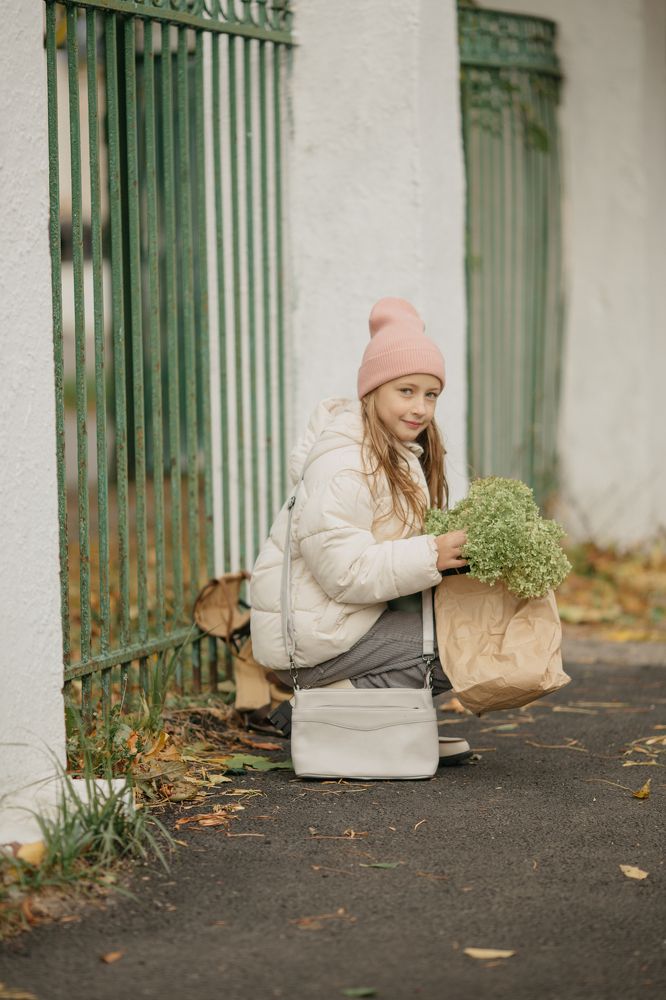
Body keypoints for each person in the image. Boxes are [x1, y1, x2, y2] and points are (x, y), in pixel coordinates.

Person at [250, 297, 471, 764]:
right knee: (463, 641)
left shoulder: (393, 453)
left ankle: (378, 725)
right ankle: (326, 711)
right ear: (372, 391)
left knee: (465, 622)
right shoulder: (346, 465)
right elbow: (344, 573)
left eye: (431, 394)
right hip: (314, 643)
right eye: (406, 391)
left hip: (342, 627)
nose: (421, 407)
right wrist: (431, 555)